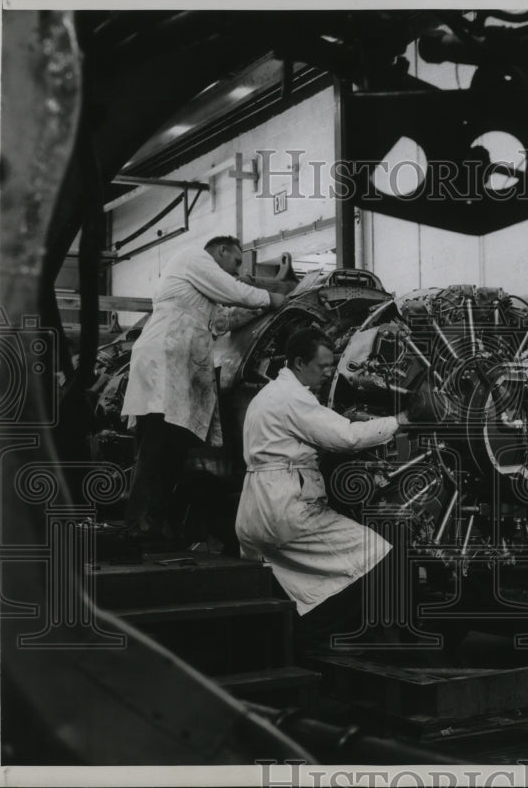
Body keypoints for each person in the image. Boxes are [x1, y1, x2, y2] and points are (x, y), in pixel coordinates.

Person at [235, 329, 416, 647]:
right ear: (299, 362)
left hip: (255, 511)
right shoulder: (293, 398)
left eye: (332, 366)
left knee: (297, 583)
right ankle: (329, 640)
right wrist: (401, 419)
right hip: (286, 511)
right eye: (322, 367)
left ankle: (293, 639)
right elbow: (347, 437)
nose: (328, 373)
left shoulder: (267, 395)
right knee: (379, 556)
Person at [121, 235, 286, 539]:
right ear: (221, 250)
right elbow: (234, 291)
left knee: (171, 447)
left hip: (175, 363)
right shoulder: (193, 258)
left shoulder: (199, 291)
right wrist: (271, 298)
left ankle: (153, 524)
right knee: (157, 445)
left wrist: (260, 311)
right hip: (166, 360)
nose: (237, 271)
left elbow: (223, 321)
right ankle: (140, 525)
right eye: (236, 262)